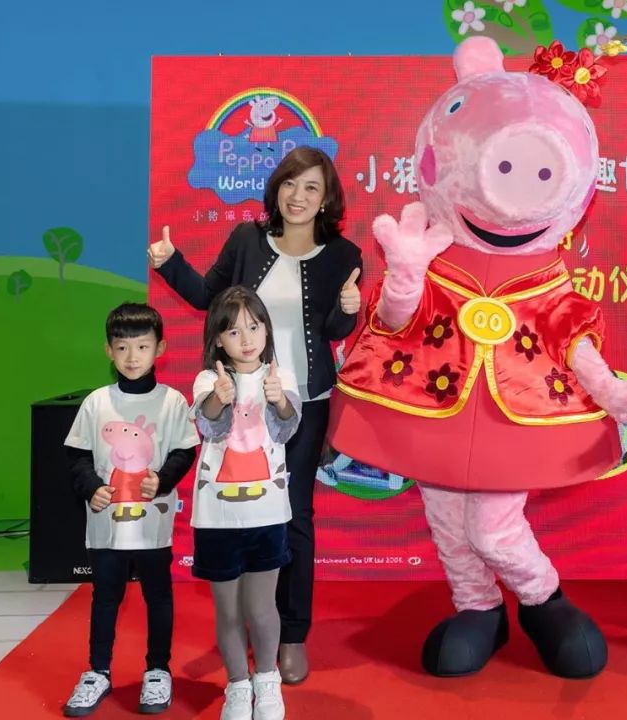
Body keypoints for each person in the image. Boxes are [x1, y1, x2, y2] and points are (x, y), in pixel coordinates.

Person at [149, 146, 362, 683]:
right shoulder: (247, 239)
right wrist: (169, 263)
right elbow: (208, 297)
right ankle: (246, 625)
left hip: (303, 403)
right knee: (243, 511)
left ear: (326, 199)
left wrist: (349, 310)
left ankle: (291, 635)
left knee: (295, 517)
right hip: (239, 403)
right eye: (290, 183)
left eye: (311, 187)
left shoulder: (344, 254)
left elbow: (334, 332)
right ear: (276, 189)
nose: (298, 196)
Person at [62, 303, 199, 716]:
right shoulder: (96, 403)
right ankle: (97, 670)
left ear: (160, 349)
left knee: (158, 595)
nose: (132, 357)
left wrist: (165, 478)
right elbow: (77, 455)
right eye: (122, 348)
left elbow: (185, 449)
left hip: (152, 526)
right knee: (106, 596)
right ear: (109, 351)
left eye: (142, 346)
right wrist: (91, 488)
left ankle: (158, 669)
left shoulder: (172, 402)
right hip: (105, 528)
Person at [191, 286, 301, 720]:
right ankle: (237, 685)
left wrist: (280, 400)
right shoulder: (207, 380)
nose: (246, 338)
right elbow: (209, 427)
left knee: (260, 606)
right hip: (216, 517)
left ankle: (267, 680)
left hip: (268, 514)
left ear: (267, 330)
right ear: (219, 340)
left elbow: (287, 429)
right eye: (234, 331)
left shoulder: (280, 376)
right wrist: (219, 397)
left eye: (254, 327)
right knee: (228, 608)